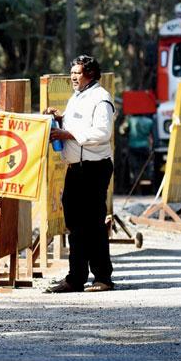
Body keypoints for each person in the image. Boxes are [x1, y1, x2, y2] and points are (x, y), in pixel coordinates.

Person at [44, 55, 116, 293]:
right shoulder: (77, 97)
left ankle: (103, 278)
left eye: (78, 73)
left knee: (93, 223)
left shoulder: (101, 98)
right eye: (72, 73)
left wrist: (68, 134)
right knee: (75, 223)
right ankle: (75, 278)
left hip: (94, 168)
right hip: (76, 168)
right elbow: (78, 122)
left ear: (91, 74)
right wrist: (60, 118)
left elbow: (102, 132)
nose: (73, 77)